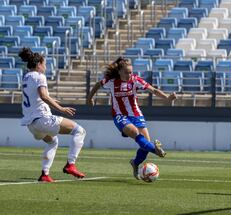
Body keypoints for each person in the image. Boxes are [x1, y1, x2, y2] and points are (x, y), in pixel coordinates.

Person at [87, 56, 177, 180]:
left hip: (136, 114)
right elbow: (97, 85)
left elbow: (153, 90)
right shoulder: (112, 81)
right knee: (136, 134)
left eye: (131, 72)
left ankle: (135, 163)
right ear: (119, 71)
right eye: (126, 72)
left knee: (145, 145)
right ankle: (156, 151)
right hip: (119, 115)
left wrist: (167, 98)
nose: (129, 74)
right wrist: (90, 97)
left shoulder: (135, 80)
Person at [19, 47, 86, 182]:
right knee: (80, 131)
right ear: (39, 65)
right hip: (42, 120)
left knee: (53, 142)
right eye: (44, 64)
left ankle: (45, 174)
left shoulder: (26, 77)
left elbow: (36, 97)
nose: (45, 67)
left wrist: (52, 100)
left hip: (31, 125)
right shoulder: (40, 76)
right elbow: (43, 96)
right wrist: (61, 109)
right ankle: (70, 165)